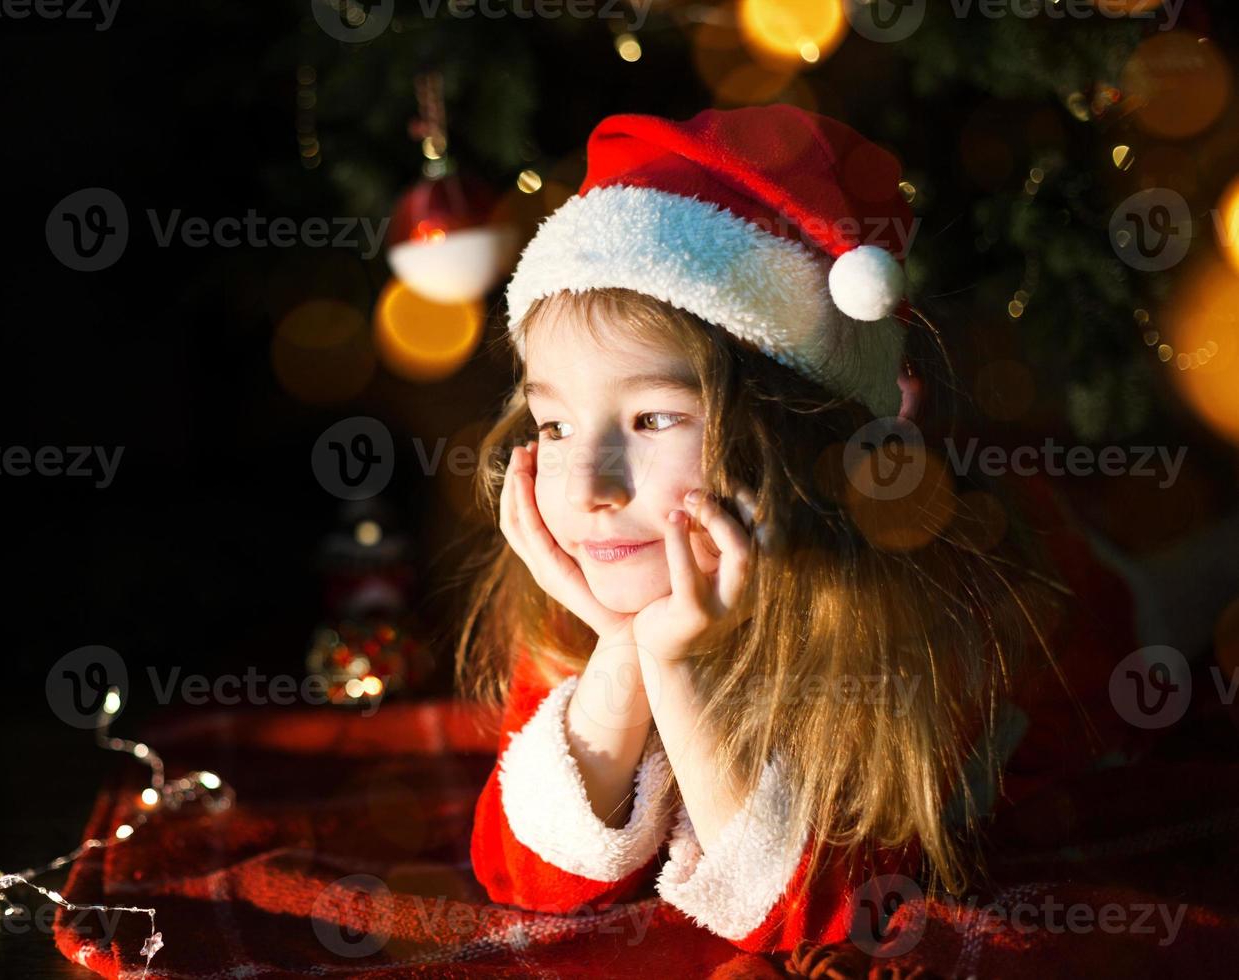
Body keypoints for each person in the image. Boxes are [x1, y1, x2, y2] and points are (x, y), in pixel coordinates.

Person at [459, 105, 1146, 952]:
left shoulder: (907, 616)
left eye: (653, 421)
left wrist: (673, 667)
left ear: (786, 430)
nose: (591, 487)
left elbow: (828, 920)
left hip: (1098, 602)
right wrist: (624, 649)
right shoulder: (597, 583)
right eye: (556, 426)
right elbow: (522, 877)